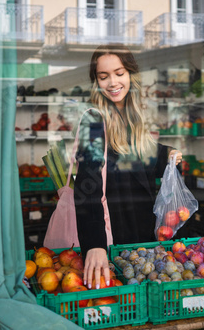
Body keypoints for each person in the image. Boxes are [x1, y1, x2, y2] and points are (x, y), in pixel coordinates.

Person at [74, 44, 182, 289]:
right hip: (116, 231)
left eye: (119, 73)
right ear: (96, 82)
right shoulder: (94, 122)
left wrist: (166, 153)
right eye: (104, 76)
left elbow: (139, 157)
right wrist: (95, 245)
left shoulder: (132, 116)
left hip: (141, 229)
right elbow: (86, 187)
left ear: (131, 75)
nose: (112, 82)